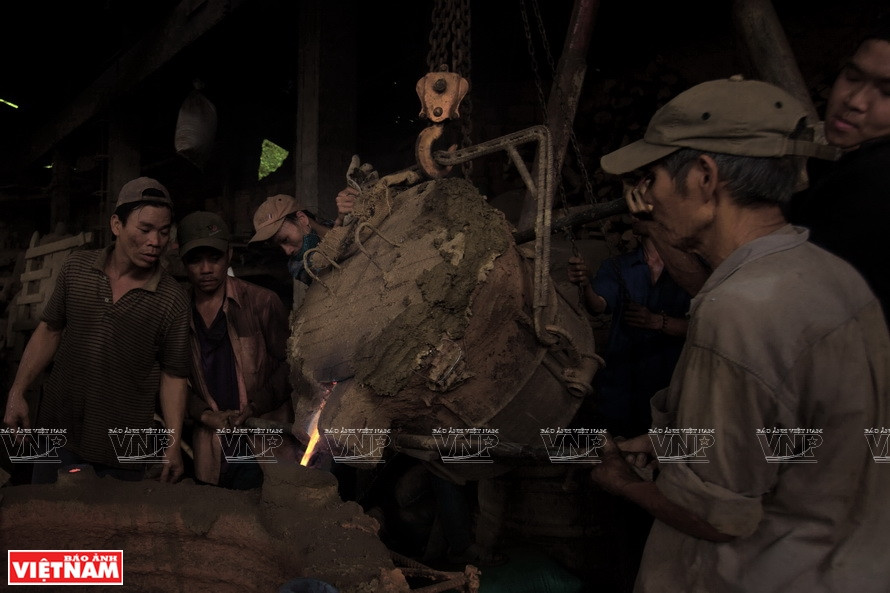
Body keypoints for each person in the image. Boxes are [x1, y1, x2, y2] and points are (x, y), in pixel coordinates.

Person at [589, 77, 890, 593]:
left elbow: (717, 518)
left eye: (653, 176)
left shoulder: (736, 312)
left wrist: (621, 482)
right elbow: (805, 428)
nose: (649, 197)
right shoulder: (830, 274)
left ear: (705, 178)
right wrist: (675, 440)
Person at [3, 177, 189, 483]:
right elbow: (49, 330)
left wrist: (172, 442)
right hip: (59, 431)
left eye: (164, 231)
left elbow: (174, 375)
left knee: (109, 515)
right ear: (117, 225)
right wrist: (17, 391)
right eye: (145, 229)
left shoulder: (172, 299)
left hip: (124, 447)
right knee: (46, 509)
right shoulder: (76, 269)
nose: (156, 241)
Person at [178, 211, 293, 490]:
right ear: (183, 262)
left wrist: (255, 407)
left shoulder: (262, 302)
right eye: (196, 260)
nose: (206, 269)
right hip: (211, 452)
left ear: (229, 255)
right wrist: (205, 415)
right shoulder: (177, 313)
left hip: (263, 447)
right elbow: (172, 379)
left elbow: (291, 366)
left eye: (214, 258)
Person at [787, 24, 890, 318]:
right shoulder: (850, 165)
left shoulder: (874, 182)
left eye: (887, 92)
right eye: (852, 77)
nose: (854, 101)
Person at [568, 232, 691, 438]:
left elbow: (702, 325)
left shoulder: (689, 271)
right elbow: (598, 305)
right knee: (619, 441)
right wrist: (586, 284)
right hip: (623, 379)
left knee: (666, 443)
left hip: (670, 377)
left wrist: (657, 321)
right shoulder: (618, 266)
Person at [248, 189, 357, 284]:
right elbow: (323, 271)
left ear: (302, 219)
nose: (287, 251)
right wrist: (339, 223)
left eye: (285, 240)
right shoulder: (298, 266)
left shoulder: (341, 224)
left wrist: (354, 202)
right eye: (278, 247)